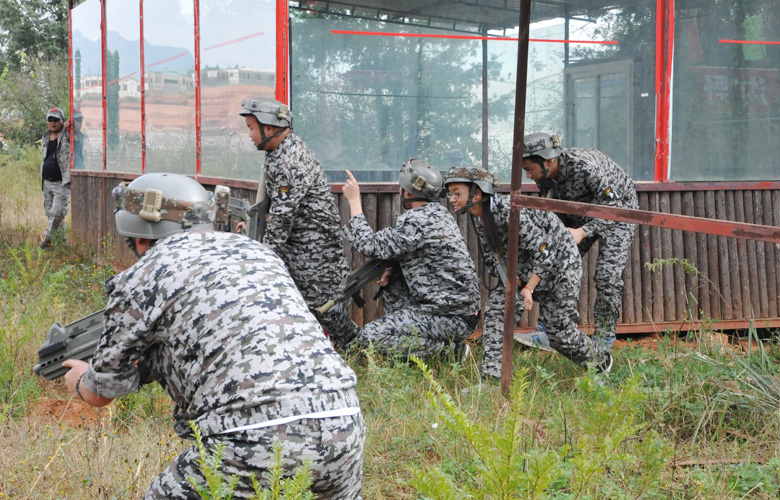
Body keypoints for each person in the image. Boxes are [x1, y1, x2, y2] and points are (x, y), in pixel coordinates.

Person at [62, 173, 365, 500]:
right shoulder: (259, 254)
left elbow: (100, 393)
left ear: (139, 237)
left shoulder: (143, 274)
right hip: (344, 427)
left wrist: (81, 379)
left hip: (253, 439)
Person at [444, 165, 612, 379]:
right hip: (525, 268)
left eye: (457, 193)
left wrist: (529, 288)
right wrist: (507, 276)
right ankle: (492, 380)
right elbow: (492, 255)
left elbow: (545, 251)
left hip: (561, 267)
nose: (452, 198)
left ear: (477, 193)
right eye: (450, 193)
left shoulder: (508, 210)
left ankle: (602, 362)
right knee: (497, 310)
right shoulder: (478, 216)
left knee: (560, 334)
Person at [238, 97, 359, 349]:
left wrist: (258, 257)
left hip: (314, 251)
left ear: (269, 128)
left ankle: (360, 351)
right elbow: (275, 209)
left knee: (324, 308)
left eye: (251, 128)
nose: (249, 135)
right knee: (299, 306)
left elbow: (281, 220)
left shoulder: (289, 160)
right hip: (298, 246)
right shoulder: (276, 153)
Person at [341, 159, 481, 359]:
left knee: (370, 336)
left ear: (407, 192)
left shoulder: (416, 220)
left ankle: (450, 353)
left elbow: (368, 245)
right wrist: (395, 270)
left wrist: (354, 200)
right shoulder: (440, 214)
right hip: (458, 313)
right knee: (393, 282)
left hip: (450, 318)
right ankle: (412, 344)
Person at [522, 133, 638, 351]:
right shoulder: (544, 177)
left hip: (619, 212)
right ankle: (548, 331)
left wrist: (584, 232)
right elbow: (555, 213)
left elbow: (614, 207)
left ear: (547, 161)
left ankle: (602, 342)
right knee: (555, 264)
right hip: (579, 212)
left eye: (529, 169)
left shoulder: (585, 167)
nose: (528, 175)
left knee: (607, 276)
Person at [39, 107, 71, 248]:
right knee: (50, 213)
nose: (52, 123)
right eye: (50, 120)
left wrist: (70, 127)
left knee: (58, 213)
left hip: (61, 183)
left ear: (62, 121)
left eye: (55, 120)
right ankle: (62, 243)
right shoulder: (45, 137)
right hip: (46, 182)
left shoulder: (67, 135)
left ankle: (46, 240)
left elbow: (79, 132)